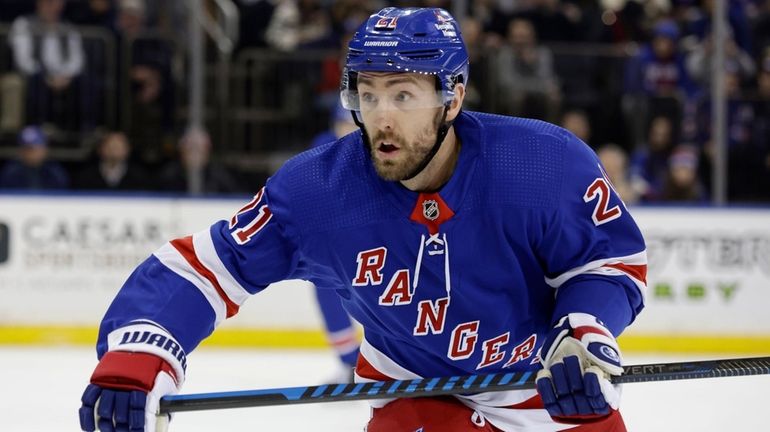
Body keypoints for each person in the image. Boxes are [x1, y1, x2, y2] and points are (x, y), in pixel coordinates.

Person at [78, 7, 647, 432]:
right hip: (416, 391)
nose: (381, 118)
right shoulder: (319, 191)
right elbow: (207, 267)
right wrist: (140, 353)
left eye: (403, 96)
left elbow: (608, 262)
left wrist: (583, 333)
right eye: (368, 95)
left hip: (549, 388)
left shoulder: (541, 164)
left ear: (453, 99)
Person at [0, 125, 69, 190]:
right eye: (27, 149)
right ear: (20, 150)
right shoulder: (10, 173)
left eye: (35, 149)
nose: (31, 154)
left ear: (44, 149)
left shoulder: (54, 173)